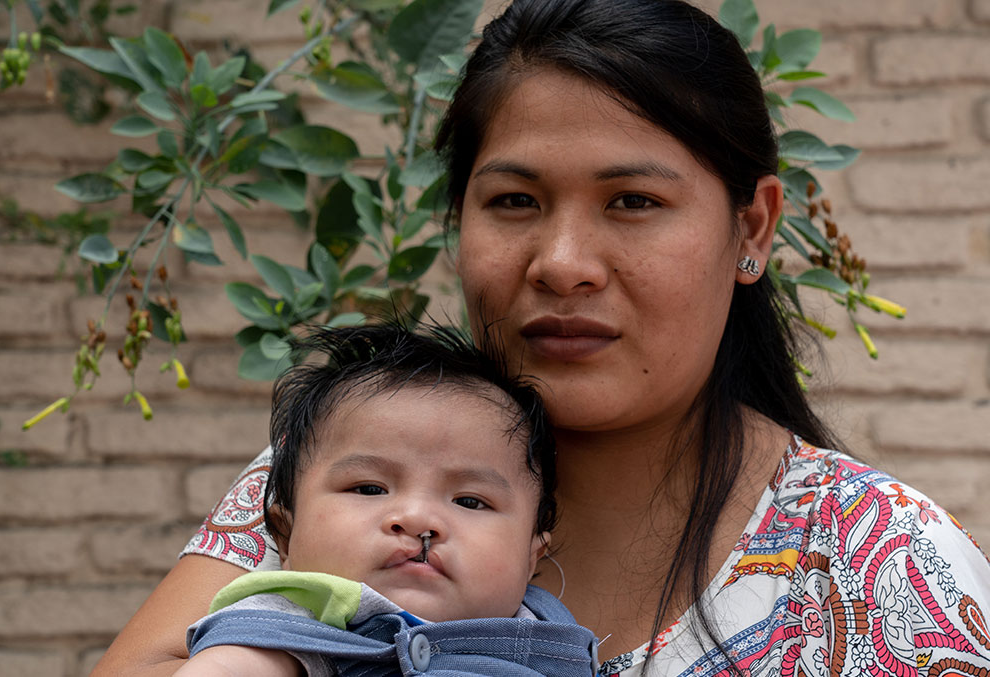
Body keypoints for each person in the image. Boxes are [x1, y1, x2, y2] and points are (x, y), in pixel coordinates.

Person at [93, 1, 990, 675]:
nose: (562, 264)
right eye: (514, 201)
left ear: (752, 230)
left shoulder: (884, 568)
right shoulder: (357, 472)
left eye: (633, 202)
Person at [173, 324, 597, 676]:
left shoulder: (545, 630)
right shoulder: (292, 624)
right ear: (284, 536)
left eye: (469, 501)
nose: (418, 520)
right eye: (370, 489)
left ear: (531, 556)